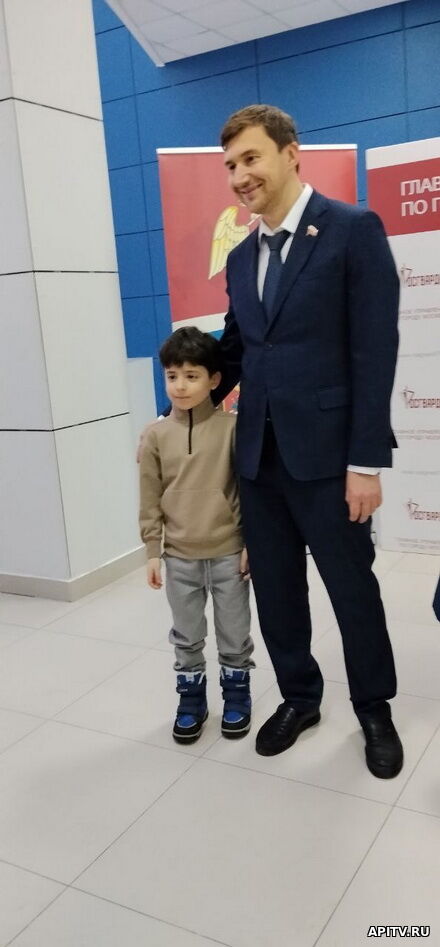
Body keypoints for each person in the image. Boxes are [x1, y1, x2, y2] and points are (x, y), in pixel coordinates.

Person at [209, 103, 403, 778]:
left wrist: (366, 461)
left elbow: (375, 349)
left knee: (352, 590)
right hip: (259, 459)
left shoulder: (351, 230)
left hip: (329, 459)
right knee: (278, 593)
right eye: (230, 165)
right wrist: (184, 392)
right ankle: (300, 696)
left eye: (251, 158)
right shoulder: (240, 257)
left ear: (292, 153)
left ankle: (374, 707)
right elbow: (238, 349)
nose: (240, 175)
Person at [139, 326, 254, 744]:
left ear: (214, 379)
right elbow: (149, 495)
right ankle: (191, 701)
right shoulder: (155, 436)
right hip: (179, 556)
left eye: (191, 376)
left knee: (234, 633)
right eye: (172, 376)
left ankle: (237, 695)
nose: (181, 386)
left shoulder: (233, 429)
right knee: (186, 634)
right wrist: (153, 550)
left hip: (229, 554)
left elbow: (247, 491)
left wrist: (250, 543)